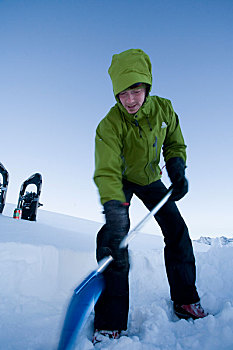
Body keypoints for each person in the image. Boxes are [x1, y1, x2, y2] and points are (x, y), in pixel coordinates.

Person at [92, 48, 207, 345]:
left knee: (177, 231)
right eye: (123, 94)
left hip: (152, 180)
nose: (130, 100)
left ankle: (185, 299)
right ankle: (110, 320)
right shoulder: (109, 124)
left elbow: (174, 143)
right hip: (122, 180)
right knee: (112, 240)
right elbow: (106, 169)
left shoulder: (164, 110)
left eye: (136, 90)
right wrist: (115, 212)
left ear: (147, 86)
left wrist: (177, 168)